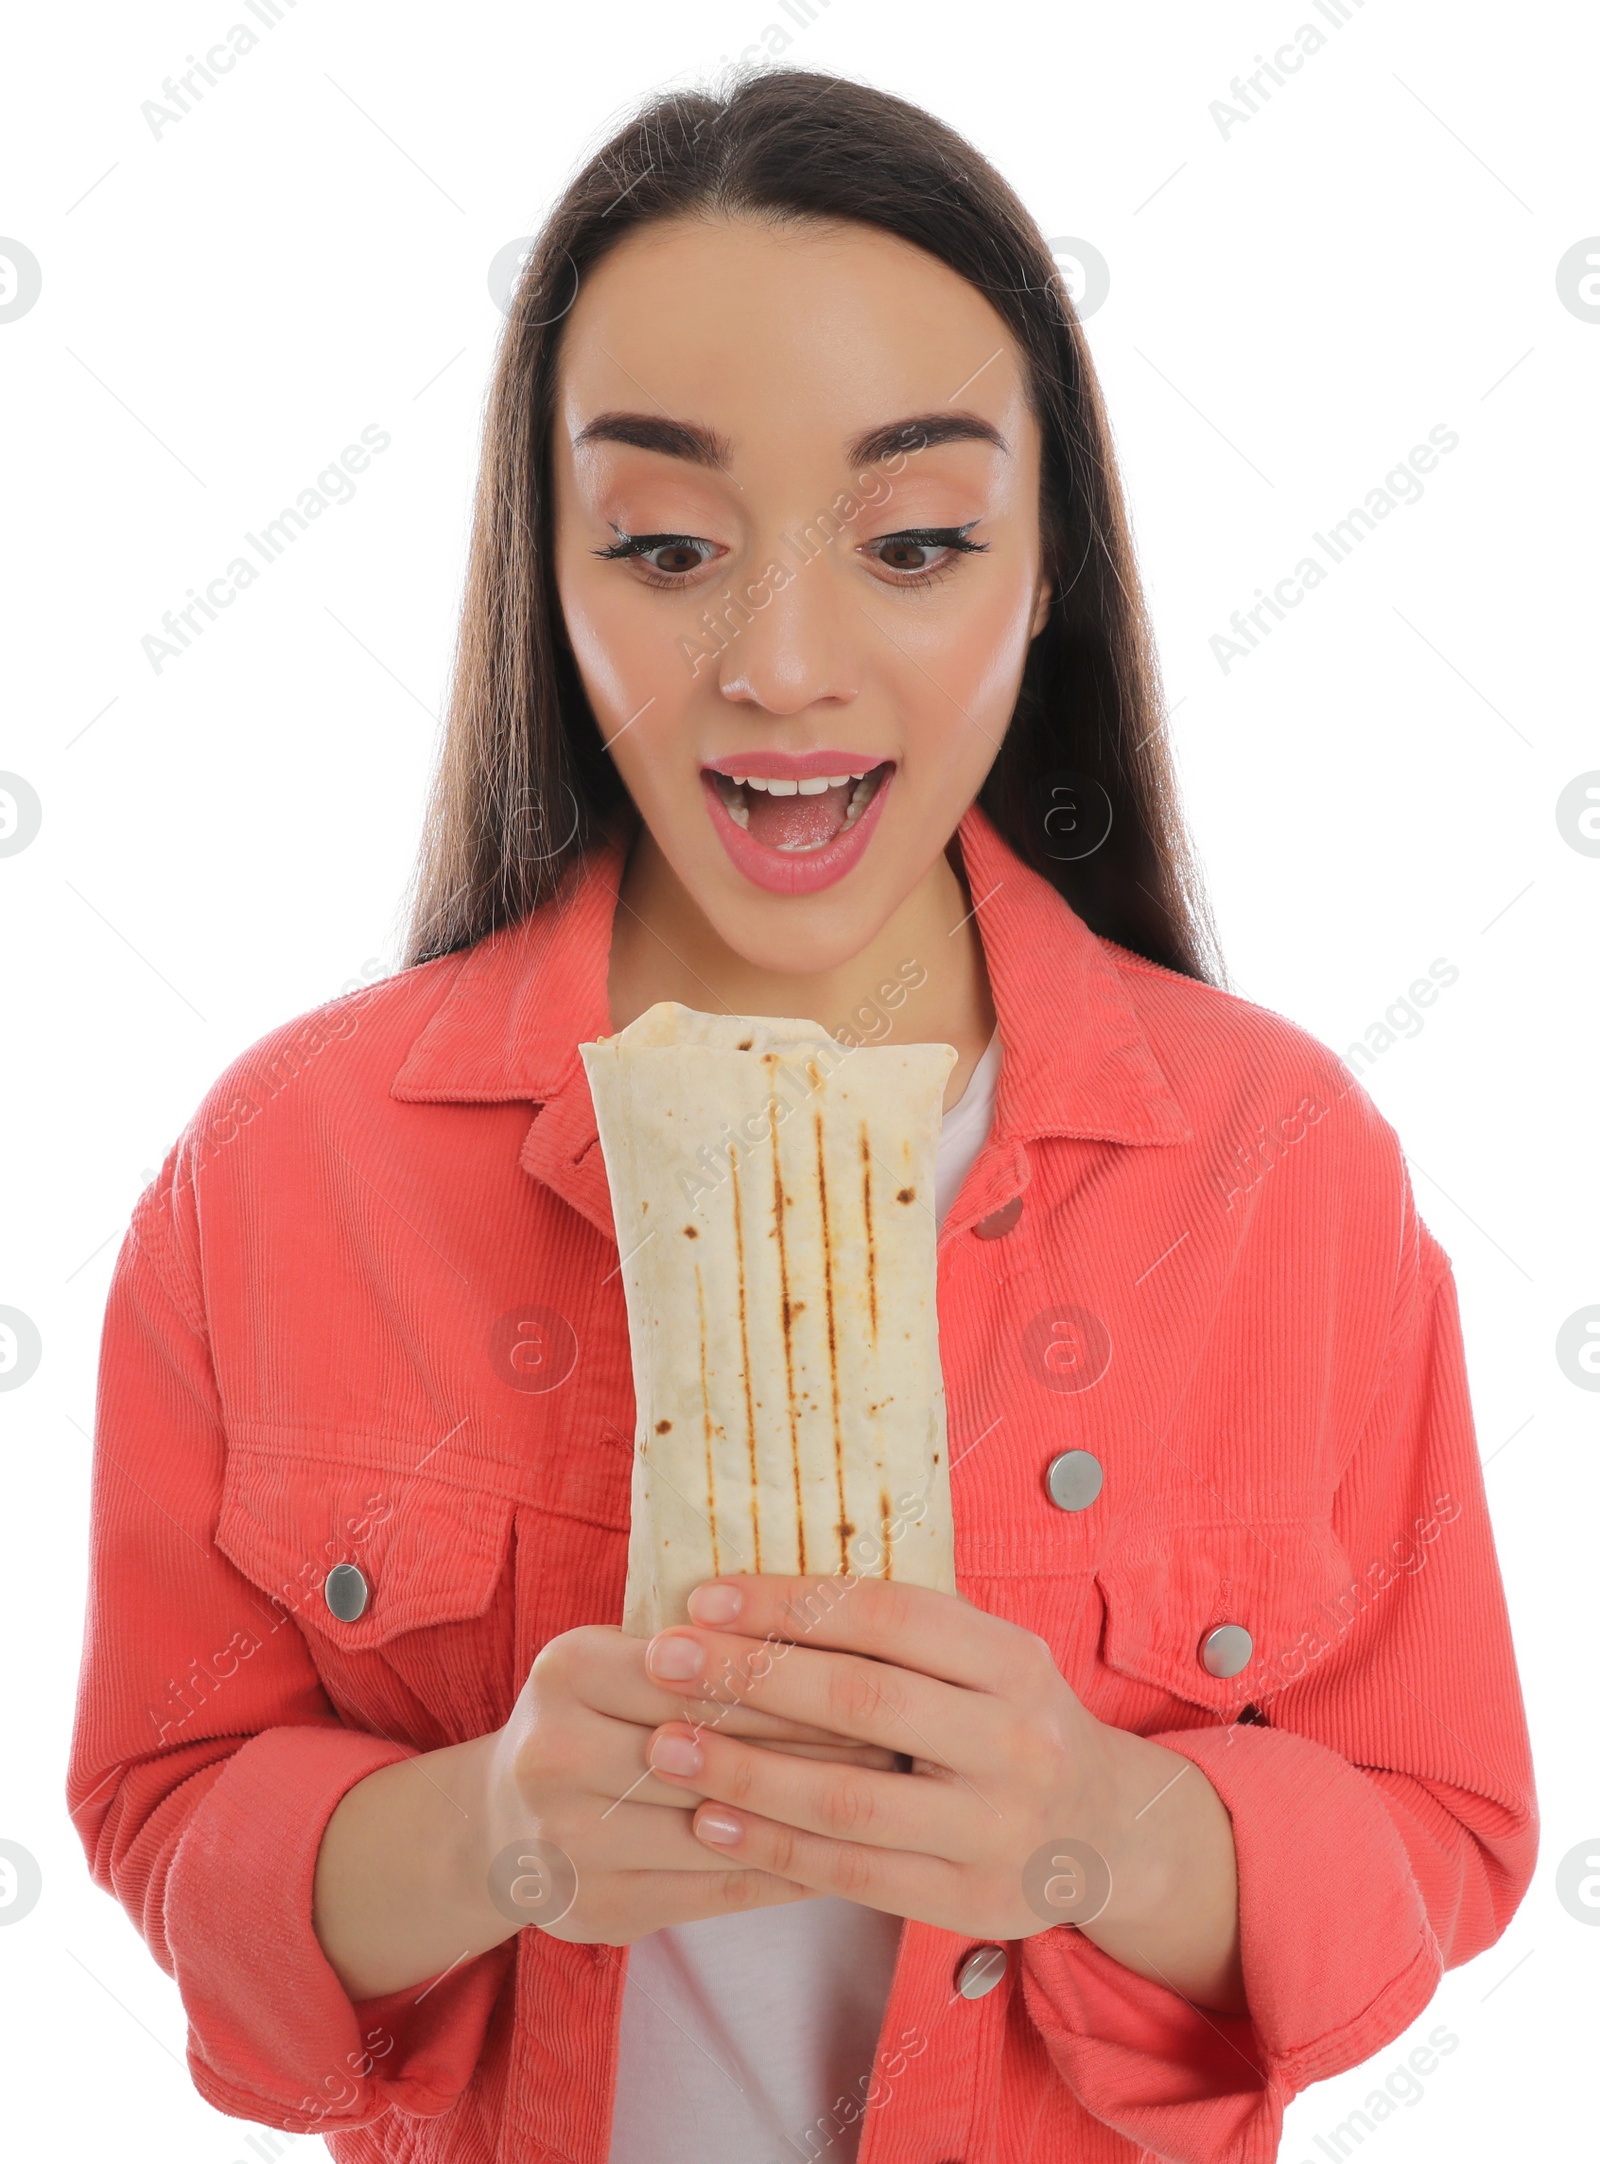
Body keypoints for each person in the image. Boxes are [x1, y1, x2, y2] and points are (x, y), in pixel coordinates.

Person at [68, 67, 1536, 2164]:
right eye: (665, 547)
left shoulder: (1279, 1167)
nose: (780, 663)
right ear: (546, 578)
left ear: (1043, 574)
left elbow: (1444, 1839)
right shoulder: (280, 1168)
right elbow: (166, 1807)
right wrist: (490, 1832)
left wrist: (1099, 1830)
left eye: (915, 539)